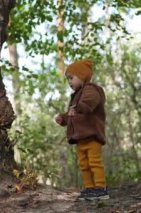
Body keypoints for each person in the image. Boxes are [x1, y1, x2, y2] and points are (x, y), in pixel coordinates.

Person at [55, 59, 109, 201]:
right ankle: (89, 188)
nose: (69, 82)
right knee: (84, 164)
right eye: (68, 79)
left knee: (94, 162)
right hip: (80, 138)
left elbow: (88, 104)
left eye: (71, 78)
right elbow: (74, 115)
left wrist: (78, 107)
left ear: (82, 76)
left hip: (92, 136)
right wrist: (64, 119)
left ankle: (100, 188)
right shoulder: (76, 96)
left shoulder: (92, 89)